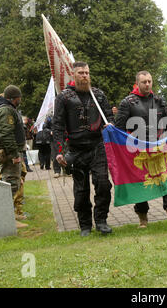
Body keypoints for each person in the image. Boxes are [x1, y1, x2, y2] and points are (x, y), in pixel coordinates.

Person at [115, 71, 167, 229]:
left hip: (159, 148)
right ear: (137, 83)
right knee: (141, 183)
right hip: (137, 151)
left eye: (149, 81)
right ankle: (143, 218)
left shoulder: (159, 100)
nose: (147, 84)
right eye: (144, 82)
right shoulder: (127, 102)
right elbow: (119, 129)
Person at [53, 61, 114, 237]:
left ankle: (101, 221)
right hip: (76, 149)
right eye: (81, 73)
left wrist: (110, 124)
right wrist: (59, 151)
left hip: (98, 147)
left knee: (103, 184)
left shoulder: (98, 95)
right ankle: (85, 224)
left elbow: (109, 116)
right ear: (74, 74)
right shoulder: (64, 97)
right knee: (81, 190)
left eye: (87, 72)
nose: (85, 76)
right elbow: (57, 126)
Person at [0, 88, 28, 228]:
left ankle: (10, 215)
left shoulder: (5, 109)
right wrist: (14, 155)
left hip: (10, 151)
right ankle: (6, 219)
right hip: (9, 153)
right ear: (15, 98)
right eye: (19, 97)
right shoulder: (6, 110)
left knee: (13, 182)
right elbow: (6, 134)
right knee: (10, 184)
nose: (20, 100)